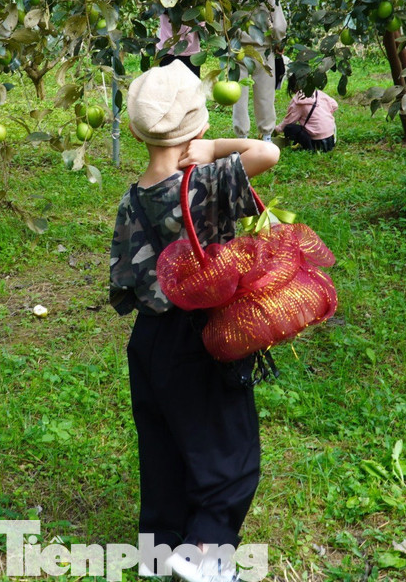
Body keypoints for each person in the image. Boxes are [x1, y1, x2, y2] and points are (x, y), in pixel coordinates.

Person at [109, 61, 280, 581]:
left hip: (150, 342)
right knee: (228, 450)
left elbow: (123, 286)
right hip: (204, 336)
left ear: (137, 132)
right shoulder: (206, 181)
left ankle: (159, 550)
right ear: (201, 126)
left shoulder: (131, 199)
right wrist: (212, 150)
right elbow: (266, 152)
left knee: (162, 446)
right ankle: (206, 554)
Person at [232, 0, 286, 141]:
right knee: (265, 95)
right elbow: (279, 27)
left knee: (238, 95)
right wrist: (278, 40)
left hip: (237, 48)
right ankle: (266, 136)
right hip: (263, 49)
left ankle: (241, 136)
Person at [279, 75, 339, 152]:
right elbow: (335, 105)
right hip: (330, 140)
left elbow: (288, 121)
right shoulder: (319, 93)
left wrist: (276, 129)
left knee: (289, 128)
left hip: (316, 142)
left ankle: (309, 148)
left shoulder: (298, 101)